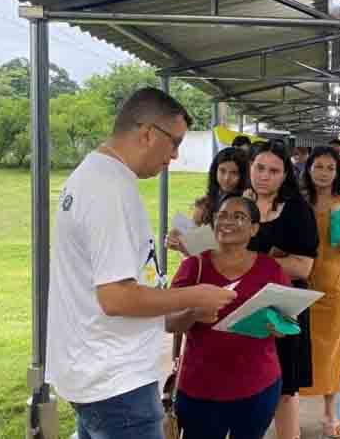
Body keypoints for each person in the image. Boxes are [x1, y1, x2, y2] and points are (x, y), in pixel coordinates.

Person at [45, 87, 237, 439]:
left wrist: (182, 312)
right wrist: (196, 296)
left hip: (95, 372)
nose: (175, 156)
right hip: (117, 385)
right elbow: (117, 297)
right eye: (174, 143)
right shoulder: (110, 189)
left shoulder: (94, 174)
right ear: (149, 133)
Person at [167, 196, 288, 439]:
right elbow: (169, 322)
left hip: (259, 387)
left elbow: (286, 322)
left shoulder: (270, 268)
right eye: (221, 215)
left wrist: (278, 327)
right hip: (200, 390)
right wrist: (193, 313)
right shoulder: (194, 266)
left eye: (239, 217)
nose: (227, 221)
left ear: (254, 229)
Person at [246, 140, 319, 439]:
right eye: (259, 168)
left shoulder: (298, 210)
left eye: (273, 171)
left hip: (283, 306)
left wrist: (249, 262)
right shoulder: (237, 204)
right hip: (241, 303)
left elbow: (303, 268)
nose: (264, 176)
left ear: (285, 174)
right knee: (244, 383)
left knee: (284, 388)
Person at [299, 146, 340, 437]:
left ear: (337, 172)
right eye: (318, 166)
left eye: (330, 167)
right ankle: (290, 409)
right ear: (308, 169)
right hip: (299, 282)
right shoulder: (296, 201)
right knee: (296, 347)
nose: (324, 173)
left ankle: (330, 413)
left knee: (332, 348)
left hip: (334, 284)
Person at [167, 147, 250, 254]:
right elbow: (191, 233)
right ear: (215, 171)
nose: (226, 178)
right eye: (222, 171)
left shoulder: (246, 204)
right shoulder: (205, 202)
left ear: (243, 176)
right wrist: (176, 238)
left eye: (234, 173)